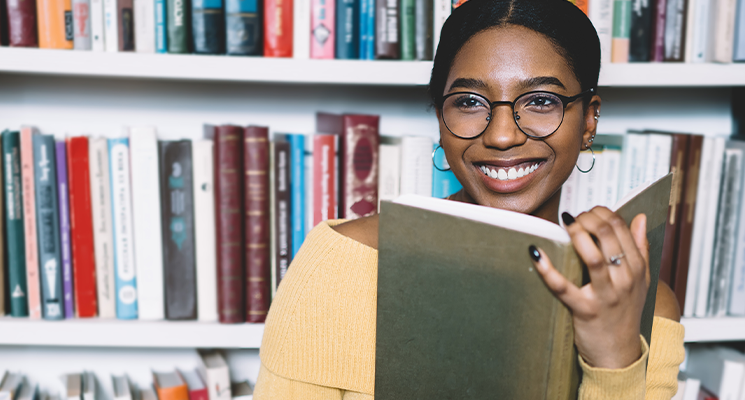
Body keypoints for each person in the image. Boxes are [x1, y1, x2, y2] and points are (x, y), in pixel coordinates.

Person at [253, 0, 685, 398]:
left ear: (589, 120)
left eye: (540, 100)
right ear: (441, 118)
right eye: (469, 102)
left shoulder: (646, 302)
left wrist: (613, 359)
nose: (501, 136)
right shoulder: (343, 264)